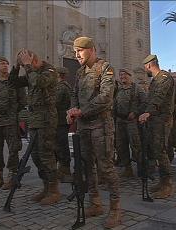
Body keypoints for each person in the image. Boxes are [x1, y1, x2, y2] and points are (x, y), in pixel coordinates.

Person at [66, 36, 121, 228]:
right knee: (87, 166)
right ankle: (95, 203)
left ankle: (115, 209)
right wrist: (72, 110)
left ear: (91, 49)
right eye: (75, 52)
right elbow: (74, 95)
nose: (77, 55)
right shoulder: (80, 72)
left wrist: (83, 111)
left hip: (101, 126)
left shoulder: (105, 68)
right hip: (83, 126)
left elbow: (106, 97)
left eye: (79, 51)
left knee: (106, 167)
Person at [9, 49, 60, 205]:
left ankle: (54, 190)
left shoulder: (49, 70)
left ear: (34, 60)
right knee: (36, 156)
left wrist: (28, 65)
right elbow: (13, 83)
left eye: (27, 64)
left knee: (46, 154)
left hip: (46, 119)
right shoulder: (32, 72)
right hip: (34, 119)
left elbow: (39, 82)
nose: (26, 68)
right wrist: (17, 67)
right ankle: (45, 187)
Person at [138, 54, 175, 199]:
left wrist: (147, 112)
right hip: (155, 119)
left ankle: (167, 185)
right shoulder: (155, 80)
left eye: (144, 67)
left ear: (148, 65)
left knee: (161, 151)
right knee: (156, 150)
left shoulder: (164, 78)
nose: (144, 69)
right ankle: (162, 182)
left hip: (162, 120)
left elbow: (158, 98)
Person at [0, 56, 26, 190]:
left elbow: (22, 101)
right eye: (2, 63)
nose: (5, 66)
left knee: (13, 149)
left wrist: (12, 112)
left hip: (10, 121)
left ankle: (12, 176)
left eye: (6, 64)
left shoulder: (14, 81)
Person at [114, 68, 144, 178]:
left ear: (130, 75)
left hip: (131, 122)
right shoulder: (118, 89)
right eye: (121, 75)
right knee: (121, 145)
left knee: (136, 145)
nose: (122, 77)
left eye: (124, 75)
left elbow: (144, 102)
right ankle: (127, 168)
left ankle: (142, 168)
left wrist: (135, 112)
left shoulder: (137, 88)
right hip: (120, 121)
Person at [55, 67, 73, 182]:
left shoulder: (62, 87)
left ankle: (65, 170)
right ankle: (61, 169)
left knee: (62, 145)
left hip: (61, 121)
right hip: (57, 120)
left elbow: (54, 102)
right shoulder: (59, 86)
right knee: (57, 145)